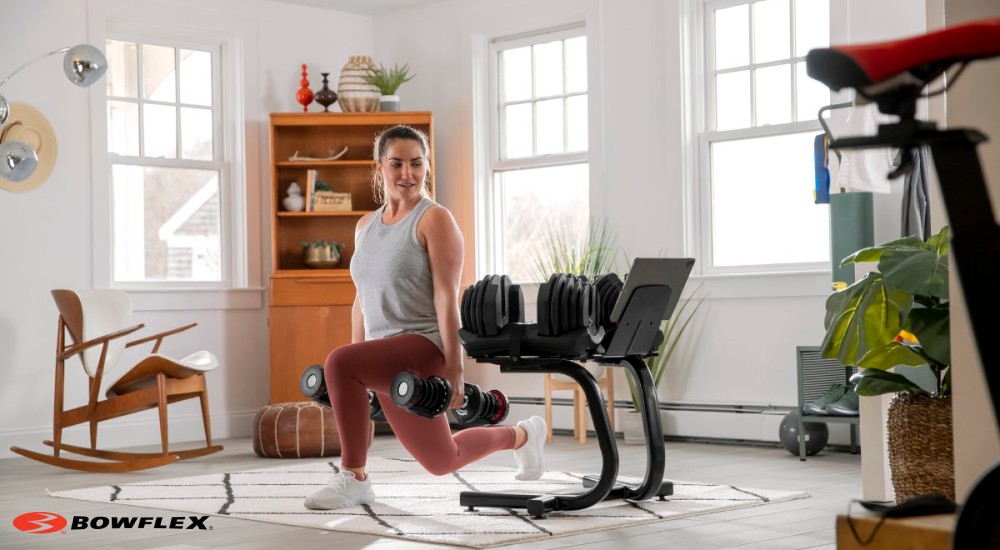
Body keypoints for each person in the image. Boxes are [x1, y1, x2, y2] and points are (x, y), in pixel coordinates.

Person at [305, 125, 546, 511]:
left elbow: (447, 298)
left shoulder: (434, 220)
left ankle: (354, 477)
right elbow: (360, 299)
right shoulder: (365, 226)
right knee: (441, 459)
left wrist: (456, 369)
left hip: (422, 345)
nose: (407, 174)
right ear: (379, 166)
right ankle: (522, 436)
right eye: (397, 163)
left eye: (417, 164)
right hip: (386, 353)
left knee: (337, 363)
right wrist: (360, 357)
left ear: (427, 167)